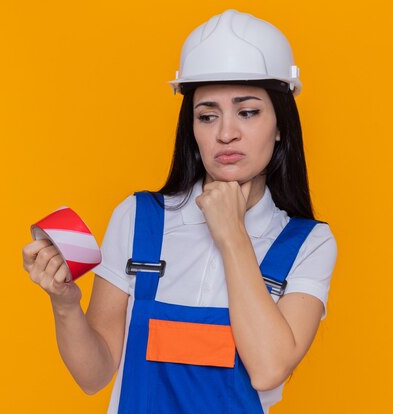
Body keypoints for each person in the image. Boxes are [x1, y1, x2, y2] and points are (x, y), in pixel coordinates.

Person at [22, 9, 337, 414]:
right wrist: (64, 303)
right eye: (207, 115)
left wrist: (232, 235)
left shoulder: (307, 243)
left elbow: (267, 369)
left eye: (248, 111)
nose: (225, 132)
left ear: (280, 125)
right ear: (192, 128)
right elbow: (94, 376)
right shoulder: (139, 219)